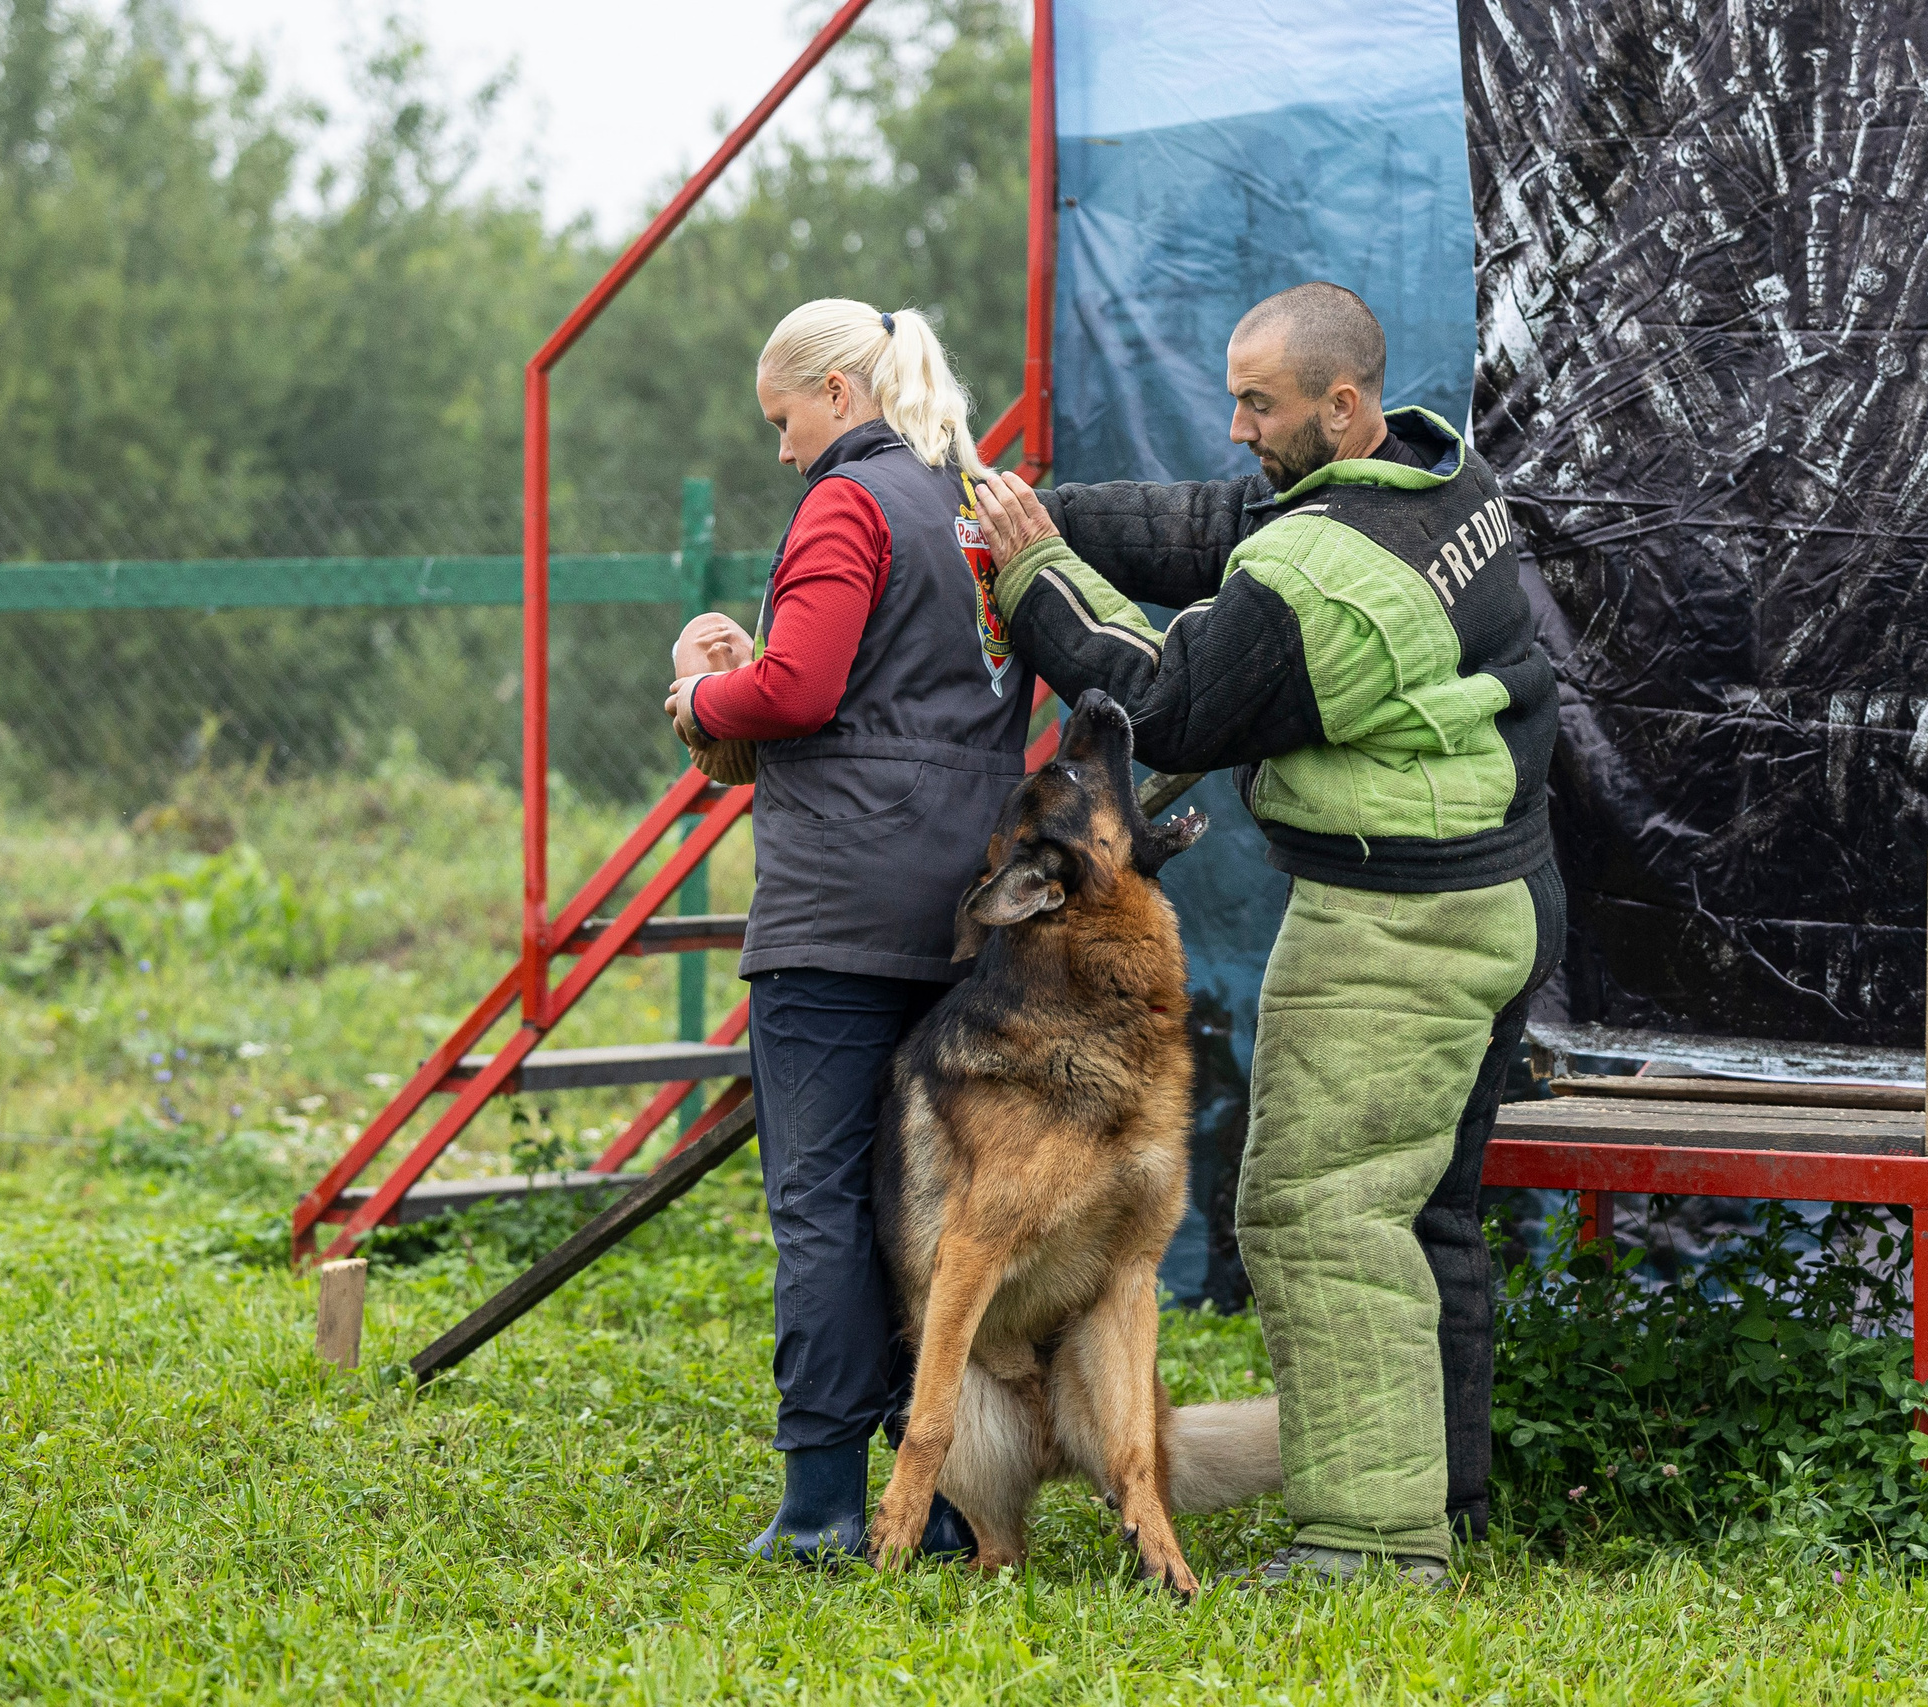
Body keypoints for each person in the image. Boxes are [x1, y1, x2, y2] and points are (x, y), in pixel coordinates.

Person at [971, 282, 1565, 1586]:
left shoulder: (1323, 588)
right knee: (1426, 1213)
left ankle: (1368, 1542)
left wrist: (1029, 576)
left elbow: (1169, 703)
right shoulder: (1430, 475)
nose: (1236, 425)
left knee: (1316, 1208)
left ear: (1337, 404)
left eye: (1259, 402)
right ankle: (1444, 1510)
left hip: (1401, 922)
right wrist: (1054, 518)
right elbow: (1222, 529)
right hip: (1510, 891)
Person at [666, 297, 1027, 1565]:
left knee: (817, 1200)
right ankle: (925, 1502)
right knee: (913, 1204)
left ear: (837, 391)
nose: (782, 451)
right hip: (962, 910)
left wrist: (704, 684)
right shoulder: (980, 504)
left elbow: (800, 690)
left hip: (835, 914)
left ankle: (822, 1507)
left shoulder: (848, 500)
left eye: (784, 419)